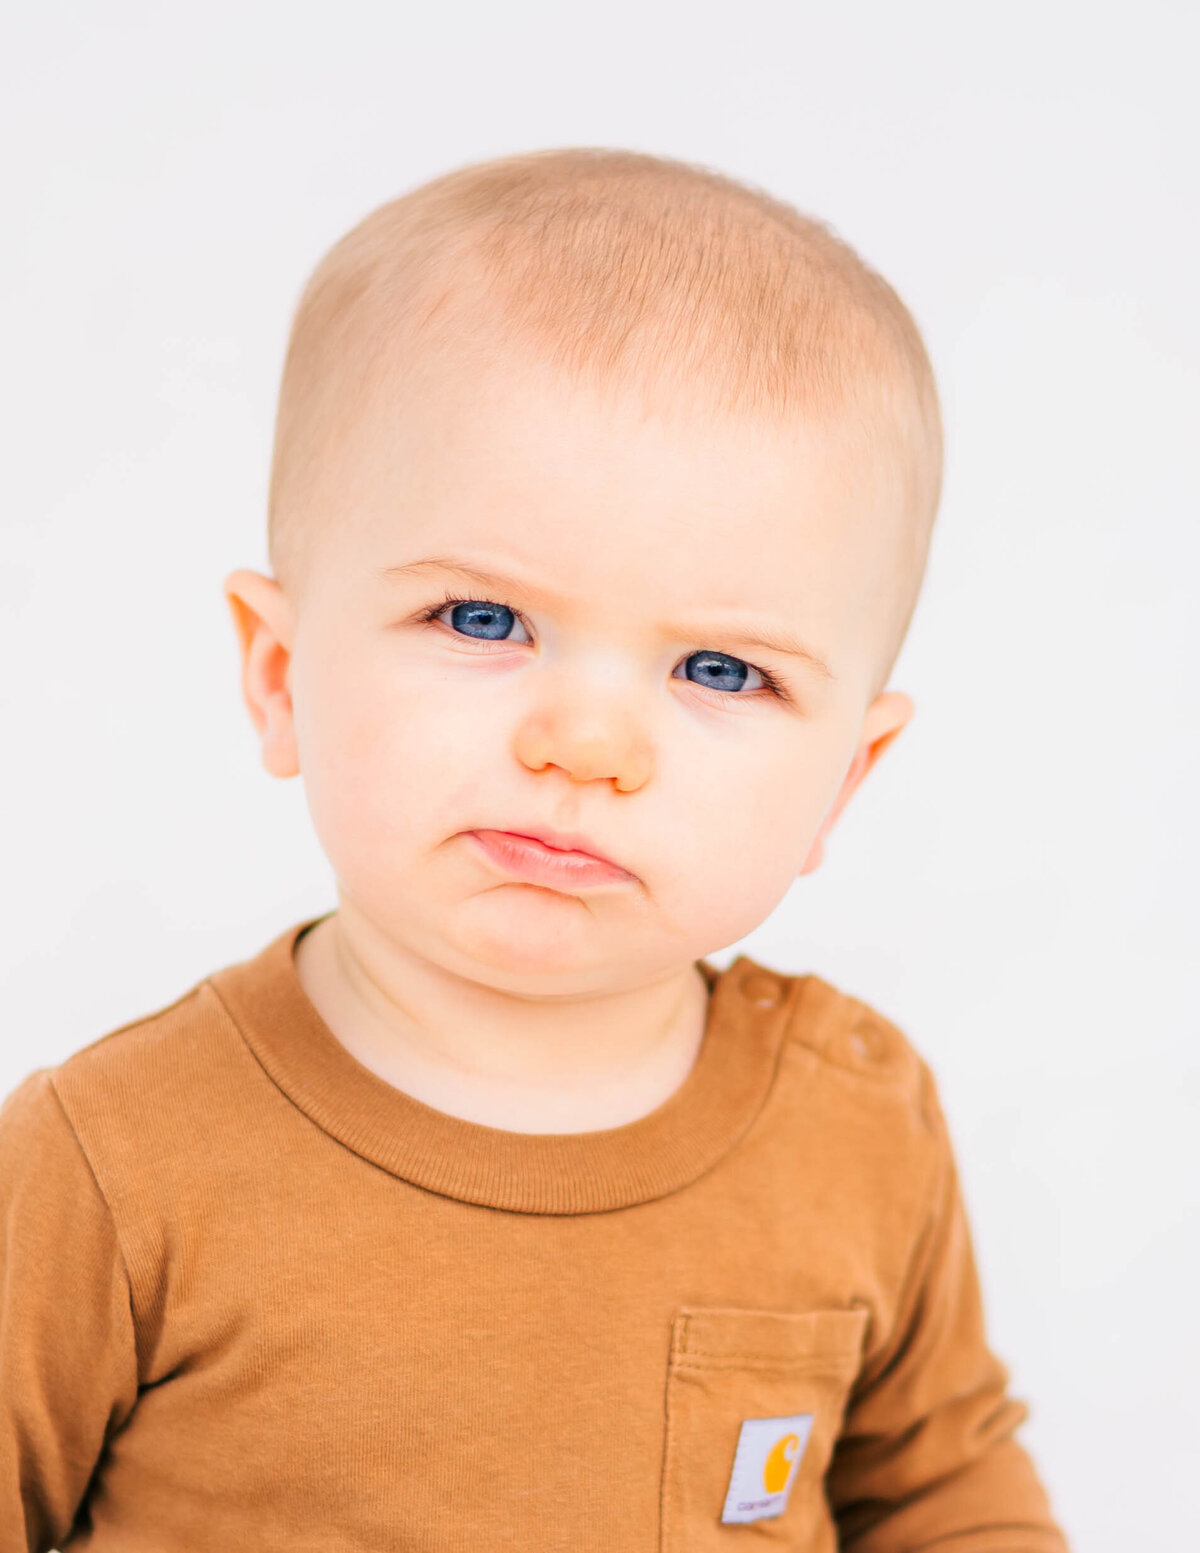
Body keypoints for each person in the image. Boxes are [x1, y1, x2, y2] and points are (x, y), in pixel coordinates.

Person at [0, 147, 1071, 1550]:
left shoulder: (857, 1125)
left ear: (844, 782)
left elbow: (943, 1492)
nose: (588, 745)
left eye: (720, 670)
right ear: (278, 671)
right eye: (484, 620)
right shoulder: (110, 1167)